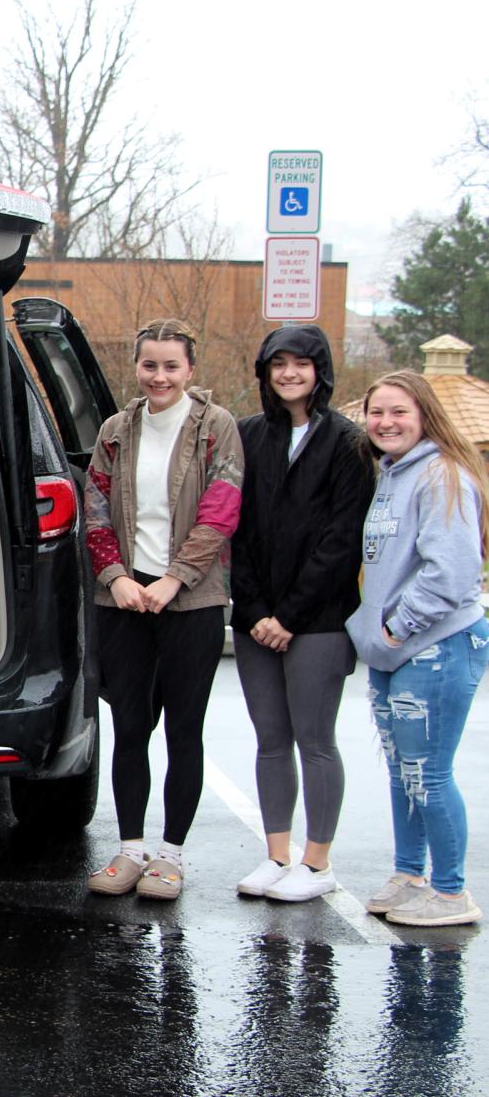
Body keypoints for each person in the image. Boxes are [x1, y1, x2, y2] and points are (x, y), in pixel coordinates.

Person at [83, 318, 243, 901]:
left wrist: (175, 579)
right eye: (149, 365)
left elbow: (221, 511)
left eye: (171, 366)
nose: (159, 376)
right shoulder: (116, 430)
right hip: (125, 597)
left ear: (190, 371)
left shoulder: (215, 428)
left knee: (183, 729)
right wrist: (115, 576)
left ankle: (170, 857)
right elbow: (94, 504)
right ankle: (129, 851)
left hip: (192, 600)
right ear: (137, 367)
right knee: (129, 726)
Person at [230, 325, 374, 902]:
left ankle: (317, 865)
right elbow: (234, 530)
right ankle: (277, 855)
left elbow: (342, 540)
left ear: (320, 370)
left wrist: (287, 616)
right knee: (270, 740)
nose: (289, 373)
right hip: (255, 619)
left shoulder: (347, 442)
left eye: (301, 364)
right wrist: (257, 610)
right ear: (264, 371)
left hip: (317, 621)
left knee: (315, 740)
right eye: (278, 364)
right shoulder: (247, 436)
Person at [346, 370, 489, 927]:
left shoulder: (441, 475)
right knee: (403, 771)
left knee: (429, 772)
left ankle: (451, 893)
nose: (385, 423)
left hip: (437, 645)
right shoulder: (391, 475)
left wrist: (395, 631)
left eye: (399, 412)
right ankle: (410, 875)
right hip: (394, 650)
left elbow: (451, 574)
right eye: (377, 412)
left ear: (424, 415)